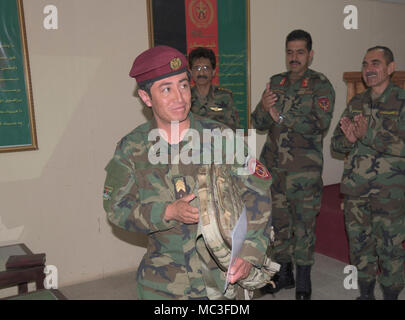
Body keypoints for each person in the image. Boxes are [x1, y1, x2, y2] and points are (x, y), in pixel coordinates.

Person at [103, 45, 273, 300]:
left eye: (183, 85)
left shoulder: (223, 138)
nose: (179, 97)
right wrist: (167, 212)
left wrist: (250, 252)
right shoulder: (132, 148)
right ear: (146, 97)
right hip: (163, 282)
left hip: (221, 278)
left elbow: (258, 193)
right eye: (166, 89)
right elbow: (116, 208)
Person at [251, 29, 335, 300]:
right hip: (275, 170)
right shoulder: (275, 82)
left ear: (310, 54)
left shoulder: (321, 85)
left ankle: (304, 280)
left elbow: (319, 125)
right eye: (290, 52)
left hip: (304, 172)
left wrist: (282, 116)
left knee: (304, 226)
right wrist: (264, 108)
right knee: (279, 225)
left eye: (300, 52)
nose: (294, 57)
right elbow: (258, 123)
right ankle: (283, 273)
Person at [331, 46, 405, 300]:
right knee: (360, 247)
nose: (368, 69)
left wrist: (368, 135)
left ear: (391, 68)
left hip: (390, 193)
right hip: (356, 191)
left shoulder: (402, 101)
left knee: (390, 250)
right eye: (364, 64)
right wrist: (349, 140)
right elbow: (335, 144)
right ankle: (365, 295)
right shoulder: (357, 102)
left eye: (375, 63)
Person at [188, 47, 240, 130]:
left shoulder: (225, 96)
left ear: (213, 72)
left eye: (206, 68)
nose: (201, 73)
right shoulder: (184, 97)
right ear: (190, 72)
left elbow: (235, 130)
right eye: (197, 68)